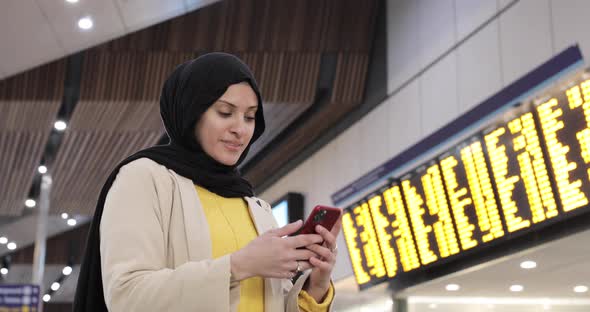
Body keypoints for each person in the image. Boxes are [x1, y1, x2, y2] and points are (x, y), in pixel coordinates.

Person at [73, 52, 341, 312]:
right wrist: (238, 266)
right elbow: (126, 296)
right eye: (225, 112)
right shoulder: (144, 178)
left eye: (250, 116)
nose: (241, 128)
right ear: (192, 112)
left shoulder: (254, 206)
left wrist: (315, 286)